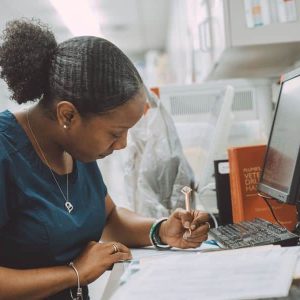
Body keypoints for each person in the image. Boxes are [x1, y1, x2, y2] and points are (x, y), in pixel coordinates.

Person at [0, 19, 210, 299]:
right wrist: (75, 273)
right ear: (68, 115)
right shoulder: (6, 153)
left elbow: (109, 217)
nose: (122, 144)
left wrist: (160, 230)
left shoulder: (76, 146)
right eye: (115, 133)